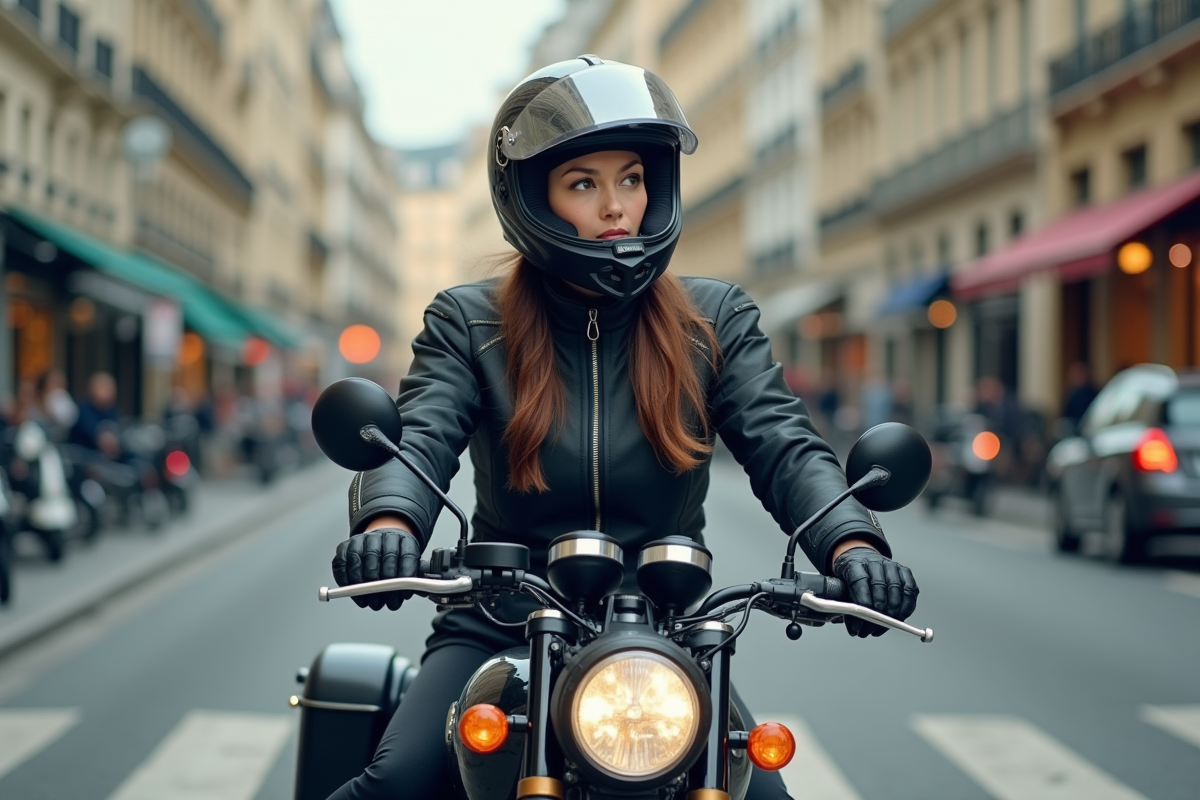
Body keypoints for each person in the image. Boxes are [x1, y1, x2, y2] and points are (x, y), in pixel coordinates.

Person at [327, 57, 920, 800]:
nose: (617, 207)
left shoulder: (716, 318)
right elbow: (417, 435)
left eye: (632, 179)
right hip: (502, 618)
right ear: (532, 200)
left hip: (669, 638)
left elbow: (784, 445)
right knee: (397, 783)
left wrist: (852, 543)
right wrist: (390, 524)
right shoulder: (467, 320)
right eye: (584, 183)